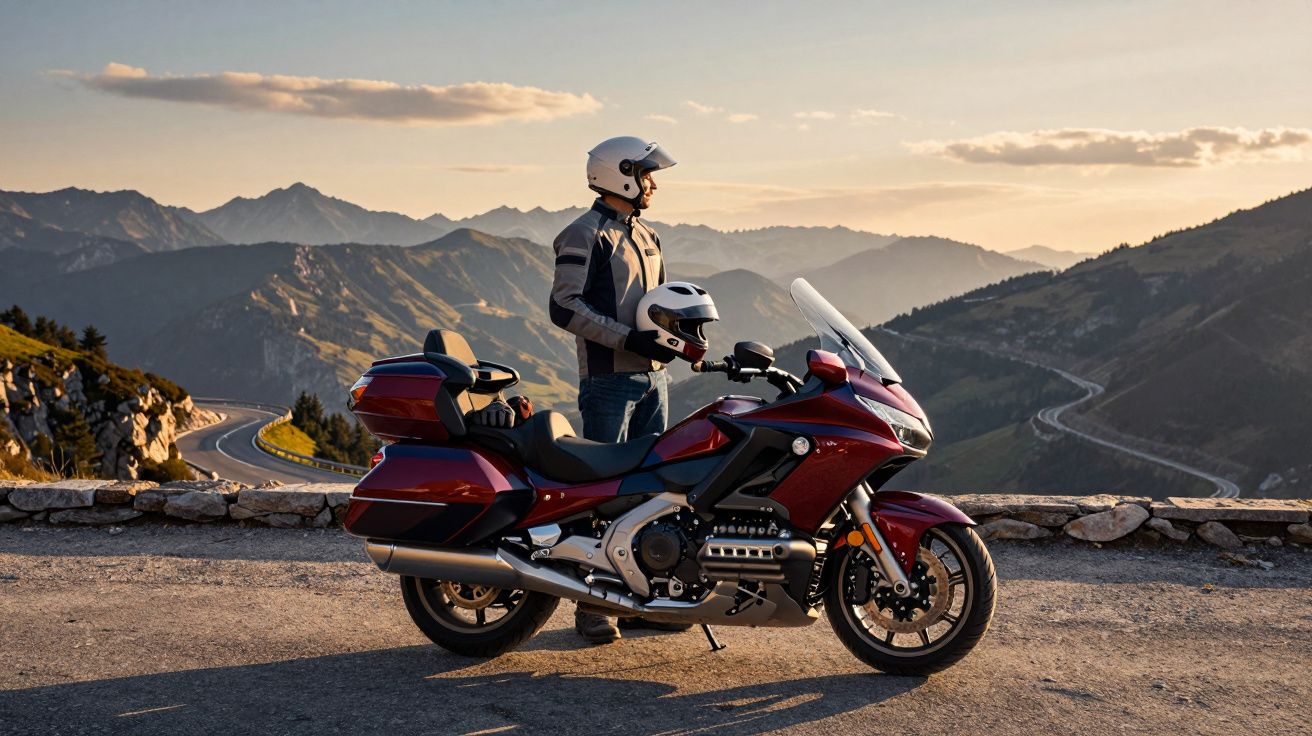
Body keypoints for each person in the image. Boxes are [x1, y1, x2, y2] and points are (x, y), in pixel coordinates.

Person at [548, 136, 689, 644]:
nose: (653, 183)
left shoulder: (649, 235)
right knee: (602, 496)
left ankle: (638, 603)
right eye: (647, 174)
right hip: (608, 382)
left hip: (655, 379)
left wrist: (684, 339)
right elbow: (564, 307)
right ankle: (591, 609)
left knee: (652, 492)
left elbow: (659, 305)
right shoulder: (582, 234)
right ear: (621, 174)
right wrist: (626, 338)